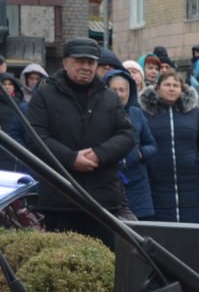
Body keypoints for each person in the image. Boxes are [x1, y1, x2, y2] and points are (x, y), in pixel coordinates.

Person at [27, 37, 135, 245]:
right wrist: (70, 158)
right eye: (80, 61)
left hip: (102, 199)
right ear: (65, 62)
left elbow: (127, 135)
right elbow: (35, 138)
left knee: (106, 264)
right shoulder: (44, 96)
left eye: (91, 62)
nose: (86, 67)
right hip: (61, 196)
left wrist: (99, 154)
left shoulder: (109, 97)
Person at [140, 70, 199, 223]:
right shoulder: (145, 114)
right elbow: (138, 141)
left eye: (175, 85)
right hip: (156, 182)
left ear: (182, 89)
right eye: (167, 84)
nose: (171, 88)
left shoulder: (194, 113)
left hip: (191, 182)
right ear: (158, 88)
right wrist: (149, 164)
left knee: (194, 232)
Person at [103, 68, 157, 222]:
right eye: (114, 90)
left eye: (123, 90)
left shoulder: (136, 114)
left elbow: (152, 145)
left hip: (137, 183)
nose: (119, 94)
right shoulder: (97, 115)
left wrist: (139, 154)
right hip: (110, 183)